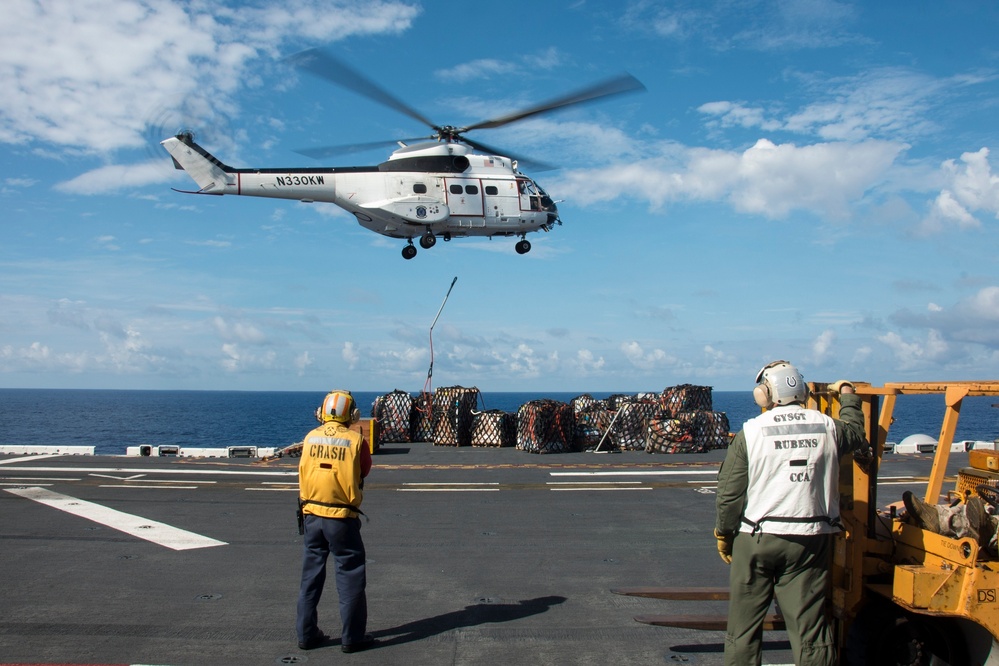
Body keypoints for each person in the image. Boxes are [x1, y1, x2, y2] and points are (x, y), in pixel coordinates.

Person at [714, 361, 869, 666]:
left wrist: (724, 533)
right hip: (810, 541)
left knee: (743, 631)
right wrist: (848, 394)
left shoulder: (751, 432)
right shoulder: (828, 427)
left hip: (757, 538)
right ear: (803, 389)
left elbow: (729, 493)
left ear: (764, 394)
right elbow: (856, 433)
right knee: (810, 631)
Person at [296, 389, 376, 654]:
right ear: (353, 415)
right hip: (341, 518)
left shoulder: (309, 438)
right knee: (350, 574)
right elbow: (364, 469)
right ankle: (352, 637)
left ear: (321, 413)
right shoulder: (355, 441)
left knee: (310, 577)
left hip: (311, 517)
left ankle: (306, 635)